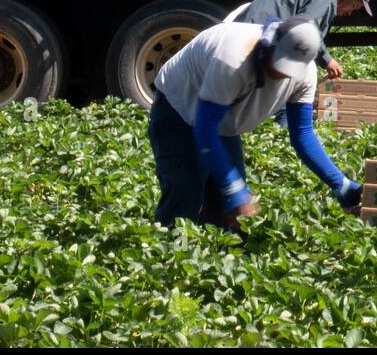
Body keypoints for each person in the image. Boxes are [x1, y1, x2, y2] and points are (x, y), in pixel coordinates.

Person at [147, 16, 363, 238]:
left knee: (229, 213)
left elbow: (302, 134)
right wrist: (233, 188)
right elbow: (205, 129)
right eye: (280, 62)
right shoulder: (233, 59)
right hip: (179, 106)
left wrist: (342, 185)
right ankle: (169, 260)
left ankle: (213, 263)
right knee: (185, 196)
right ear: (270, 44)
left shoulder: (305, 74)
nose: (281, 73)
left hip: (222, 119)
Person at [225, 0, 374, 82]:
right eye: (353, 7)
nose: (349, 12)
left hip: (255, 31)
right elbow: (307, 27)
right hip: (253, 31)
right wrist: (328, 60)